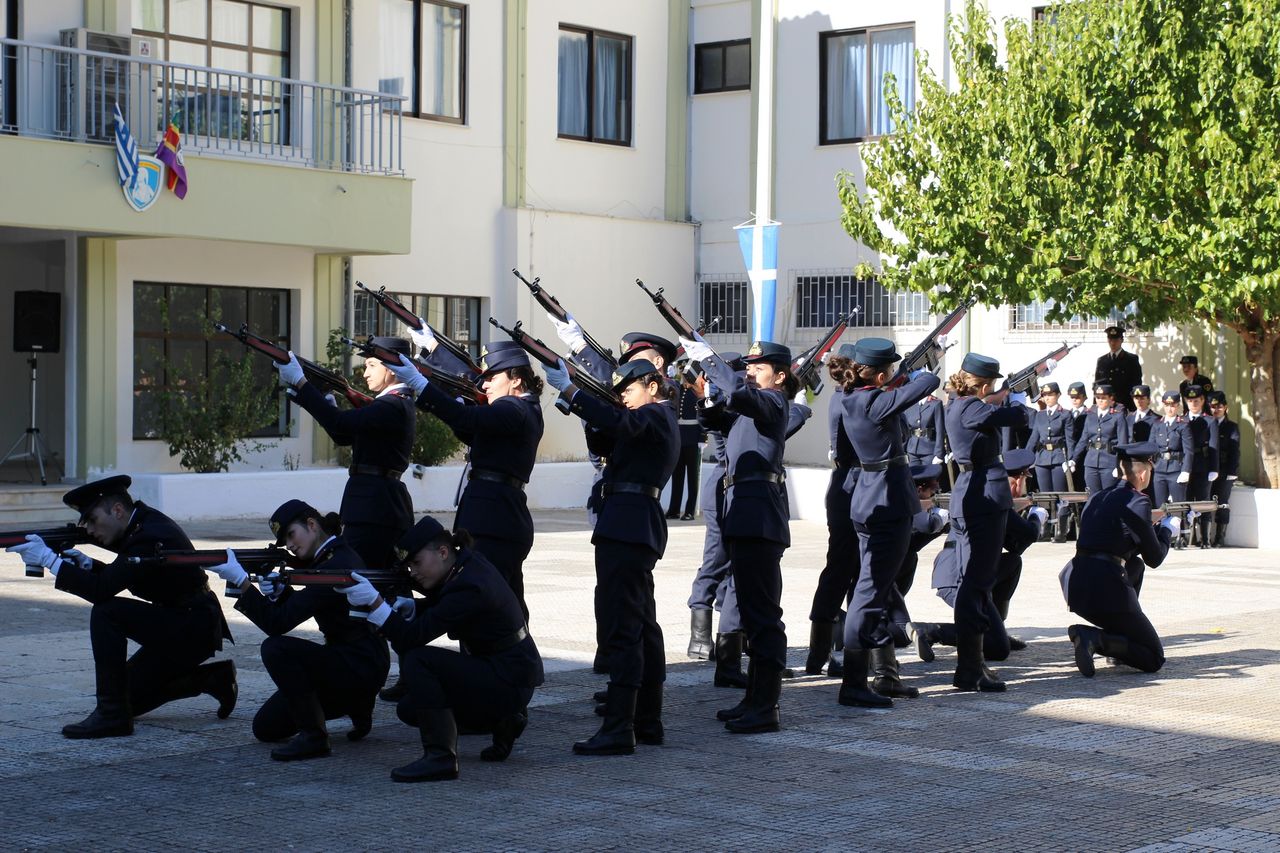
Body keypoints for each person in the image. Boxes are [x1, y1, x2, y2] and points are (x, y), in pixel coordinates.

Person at [6, 476, 235, 739]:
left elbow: (101, 590)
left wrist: (50, 561)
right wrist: (88, 565)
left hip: (192, 626)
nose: (90, 531)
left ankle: (111, 718)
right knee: (128, 698)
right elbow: (124, 576)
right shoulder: (141, 524)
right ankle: (212, 679)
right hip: (180, 621)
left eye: (92, 520)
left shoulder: (148, 535)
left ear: (117, 510)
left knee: (107, 613)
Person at [339, 516, 544, 781]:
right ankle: (502, 720)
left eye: (416, 562)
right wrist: (415, 606)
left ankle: (441, 757)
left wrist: (377, 605)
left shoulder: (468, 584)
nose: (413, 572)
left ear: (443, 552)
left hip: (509, 679)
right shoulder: (468, 566)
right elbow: (450, 606)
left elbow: (410, 639)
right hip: (506, 672)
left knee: (418, 659)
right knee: (410, 709)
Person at [544, 357, 679, 755]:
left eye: (629, 390)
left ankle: (619, 727)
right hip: (631, 524)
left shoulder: (655, 415)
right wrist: (581, 408)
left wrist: (572, 390)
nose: (623, 397)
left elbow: (620, 425)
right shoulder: (645, 420)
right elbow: (606, 439)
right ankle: (647, 719)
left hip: (628, 525)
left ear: (653, 386)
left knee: (623, 628)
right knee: (643, 627)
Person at [208, 500, 389, 761]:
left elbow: (277, 624)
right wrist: (282, 593)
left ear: (312, 525)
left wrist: (242, 582)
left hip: (359, 665)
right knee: (266, 727)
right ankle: (358, 706)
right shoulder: (332, 557)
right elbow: (310, 605)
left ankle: (315, 737)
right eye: (285, 542)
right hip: (357, 661)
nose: (290, 545)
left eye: (291, 534)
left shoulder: (333, 565)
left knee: (276, 648)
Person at [681, 335, 797, 734]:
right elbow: (716, 419)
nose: (749, 372)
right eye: (747, 367)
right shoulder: (751, 408)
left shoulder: (774, 402)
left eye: (758, 367)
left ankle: (767, 706)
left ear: (780, 376)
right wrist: (706, 394)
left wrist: (710, 359)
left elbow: (740, 396)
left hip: (759, 518)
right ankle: (752, 697)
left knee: (764, 617)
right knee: (749, 612)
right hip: (741, 515)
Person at [385, 340, 544, 618]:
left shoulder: (515, 409)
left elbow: (466, 418)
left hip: (494, 521)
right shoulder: (518, 410)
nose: (484, 385)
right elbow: (469, 427)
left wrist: (421, 386)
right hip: (496, 517)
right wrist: (436, 351)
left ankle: (503, 657)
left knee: (487, 604)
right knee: (505, 603)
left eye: (492, 377)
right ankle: (515, 658)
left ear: (516, 380)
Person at [834, 337, 940, 708]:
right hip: (887, 504)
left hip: (869, 499)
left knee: (876, 591)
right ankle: (853, 683)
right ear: (880, 375)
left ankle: (885, 675)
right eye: (890, 370)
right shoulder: (874, 401)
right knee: (868, 595)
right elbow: (927, 385)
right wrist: (924, 363)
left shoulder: (853, 398)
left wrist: (898, 374)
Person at [273, 338, 415, 571]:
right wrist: (324, 401)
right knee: (376, 579)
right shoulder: (392, 404)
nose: (365, 372)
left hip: (374, 508)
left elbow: (340, 423)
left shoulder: (391, 405)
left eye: (371, 365)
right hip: (377, 505)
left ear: (391, 369)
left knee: (351, 574)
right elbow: (344, 436)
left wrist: (301, 381)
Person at [942, 353, 1029, 692]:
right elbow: (1017, 417)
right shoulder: (970, 407)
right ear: (986, 384)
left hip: (971, 495)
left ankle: (973, 663)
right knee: (977, 584)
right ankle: (970, 667)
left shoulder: (959, 403)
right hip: (983, 499)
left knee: (975, 582)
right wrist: (1017, 396)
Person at [913, 449, 1048, 662]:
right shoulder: (996, 499)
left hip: (963, 574)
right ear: (1018, 479)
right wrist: (1036, 517)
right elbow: (1029, 534)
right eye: (1024, 478)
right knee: (998, 649)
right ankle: (931, 631)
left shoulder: (989, 493)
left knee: (1013, 563)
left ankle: (996, 627)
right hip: (957, 579)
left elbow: (1015, 548)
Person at [1061, 442, 1180, 676]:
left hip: (1077, 586)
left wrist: (1151, 526)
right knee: (1153, 657)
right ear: (1144, 472)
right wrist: (1168, 530)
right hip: (1106, 589)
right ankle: (1093, 638)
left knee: (1135, 565)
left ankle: (1119, 645)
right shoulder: (1138, 501)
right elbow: (1154, 558)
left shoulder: (1098, 497)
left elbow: (1120, 542)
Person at [684, 352, 744, 672]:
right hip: (721, 486)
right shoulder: (723, 402)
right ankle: (699, 637)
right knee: (716, 559)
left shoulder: (728, 399)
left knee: (730, 561)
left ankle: (729, 631)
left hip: (726, 485)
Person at [805, 344, 860, 678]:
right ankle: (826, 653)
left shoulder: (843, 397)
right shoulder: (850, 400)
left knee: (843, 571)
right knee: (842, 571)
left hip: (846, 485)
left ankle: (822, 652)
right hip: (851, 488)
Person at [878, 463, 950, 691]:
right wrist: (940, 517)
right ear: (919, 490)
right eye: (931, 491)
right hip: (884, 578)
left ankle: (845, 626)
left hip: (891, 576)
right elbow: (926, 524)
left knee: (899, 636)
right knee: (899, 630)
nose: (933, 496)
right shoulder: (907, 503)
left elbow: (916, 542)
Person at [1024, 381, 1073, 541]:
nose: (1047, 398)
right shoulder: (1040, 415)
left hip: (1059, 457)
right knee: (1044, 496)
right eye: (1045, 395)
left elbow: (1070, 439)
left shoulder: (1065, 414)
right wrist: (1025, 458)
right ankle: (1044, 530)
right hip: (1042, 458)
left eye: (1050, 395)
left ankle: (1061, 530)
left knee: (1059, 495)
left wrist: (1070, 459)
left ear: (1058, 395)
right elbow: (1033, 439)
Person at [1072, 383, 1130, 493]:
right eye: (1098, 398)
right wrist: (1074, 460)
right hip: (1091, 462)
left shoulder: (1118, 416)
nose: (1100, 401)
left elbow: (1123, 444)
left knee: (1108, 496)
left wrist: (1119, 466)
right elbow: (1083, 440)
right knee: (1093, 496)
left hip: (1109, 462)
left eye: (1103, 398)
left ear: (1110, 398)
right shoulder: (1091, 416)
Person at [1182, 385, 1219, 546]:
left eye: (1196, 400)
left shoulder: (1209, 421)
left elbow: (1214, 447)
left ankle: (1204, 538)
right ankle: (1185, 536)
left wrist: (1214, 468)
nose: (1193, 404)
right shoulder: (1182, 420)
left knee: (1203, 501)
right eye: (1190, 401)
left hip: (1203, 465)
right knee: (1185, 501)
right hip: (1186, 466)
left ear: (1203, 400)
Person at [1208, 391, 1240, 547]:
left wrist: (1232, 472)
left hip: (1225, 469)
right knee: (1205, 501)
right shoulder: (1207, 423)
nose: (1216, 409)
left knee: (1222, 503)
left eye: (1219, 406)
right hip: (1208, 470)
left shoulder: (1231, 427)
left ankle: (1220, 537)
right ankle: (1203, 536)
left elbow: (1234, 451)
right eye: (1213, 406)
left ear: (1225, 407)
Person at [1150, 391, 1191, 506]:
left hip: (1176, 470)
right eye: (1167, 405)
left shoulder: (1183, 425)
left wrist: (1185, 470)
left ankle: (1180, 524)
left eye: (1172, 405)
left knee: (1178, 506)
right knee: (1160, 506)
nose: (1169, 408)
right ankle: (1161, 524)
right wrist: (1151, 464)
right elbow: (1150, 447)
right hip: (1159, 469)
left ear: (1178, 406)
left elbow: (1188, 450)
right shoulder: (1157, 424)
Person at [1094, 325, 1143, 412]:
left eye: (1116, 340)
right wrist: (1095, 406)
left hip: (1125, 405)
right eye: (1110, 340)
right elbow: (1097, 385)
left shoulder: (1131, 359)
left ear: (1122, 340)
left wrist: (1133, 407)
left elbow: (1136, 384)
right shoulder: (1102, 360)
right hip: (1106, 406)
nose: (1113, 343)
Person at [901, 387, 945, 467]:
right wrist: (903, 449)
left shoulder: (935, 403)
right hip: (912, 450)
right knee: (913, 477)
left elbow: (940, 430)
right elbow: (905, 429)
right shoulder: (910, 404)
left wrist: (939, 453)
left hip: (929, 449)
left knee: (929, 477)